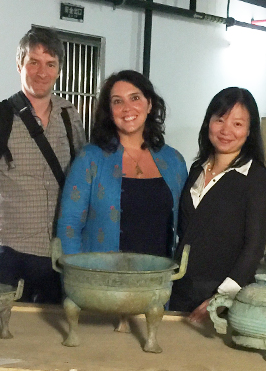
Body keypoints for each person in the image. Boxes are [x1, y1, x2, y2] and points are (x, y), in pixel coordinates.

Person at [0, 27, 86, 304]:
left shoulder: (70, 116)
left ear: (58, 70)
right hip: (14, 255)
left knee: (57, 339)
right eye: (34, 62)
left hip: (62, 253)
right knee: (9, 336)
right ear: (19, 64)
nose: (42, 72)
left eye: (50, 64)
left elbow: (83, 183)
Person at [169, 87, 266, 323]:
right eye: (220, 120)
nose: (226, 130)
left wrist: (221, 299)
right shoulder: (197, 168)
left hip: (222, 297)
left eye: (237, 124)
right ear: (209, 123)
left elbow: (254, 248)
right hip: (181, 288)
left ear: (249, 131)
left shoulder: (255, 178)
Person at [57, 70, 188, 258]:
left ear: (149, 104)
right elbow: (69, 225)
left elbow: (186, 227)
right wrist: (75, 278)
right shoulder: (90, 158)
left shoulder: (174, 161)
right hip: (101, 281)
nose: (127, 108)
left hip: (158, 281)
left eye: (135, 98)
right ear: (109, 112)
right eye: (117, 101)